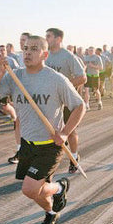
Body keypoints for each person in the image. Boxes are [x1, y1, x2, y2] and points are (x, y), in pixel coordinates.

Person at [0, 35, 85, 224]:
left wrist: (64, 133)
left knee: (29, 189)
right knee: (37, 192)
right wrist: (1, 71)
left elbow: (79, 106)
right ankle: (52, 212)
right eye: (26, 48)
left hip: (50, 146)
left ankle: (59, 188)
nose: (28, 52)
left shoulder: (56, 79)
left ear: (44, 54)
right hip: (27, 144)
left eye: (34, 49)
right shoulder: (15, 76)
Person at [45, 28, 86, 174]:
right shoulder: (46, 55)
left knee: (70, 130)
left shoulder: (68, 56)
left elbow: (82, 77)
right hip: (50, 100)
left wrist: (65, 86)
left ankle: (74, 158)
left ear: (58, 39)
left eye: (49, 36)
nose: (46, 39)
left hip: (66, 100)